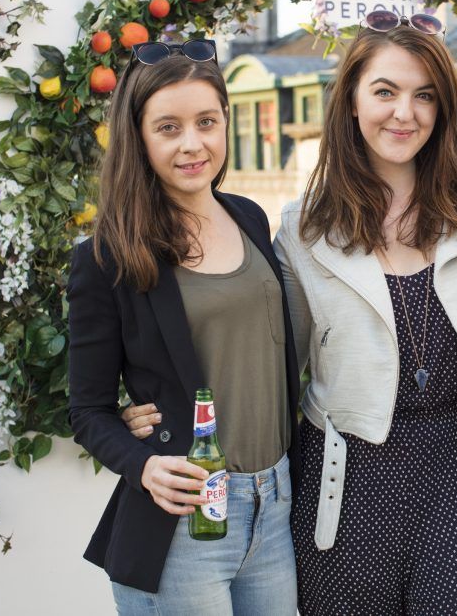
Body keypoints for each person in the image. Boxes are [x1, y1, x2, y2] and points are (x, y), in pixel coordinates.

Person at [274, 13, 457, 614]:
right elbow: (274, 366)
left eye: (424, 96)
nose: (404, 113)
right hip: (347, 483)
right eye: (385, 91)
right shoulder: (305, 229)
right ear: (351, 101)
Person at [67, 38, 300, 615]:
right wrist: (143, 462)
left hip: (274, 504)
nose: (192, 144)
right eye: (168, 127)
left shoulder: (248, 216)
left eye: (206, 122)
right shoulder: (108, 256)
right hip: (185, 521)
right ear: (139, 137)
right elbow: (87, 410)